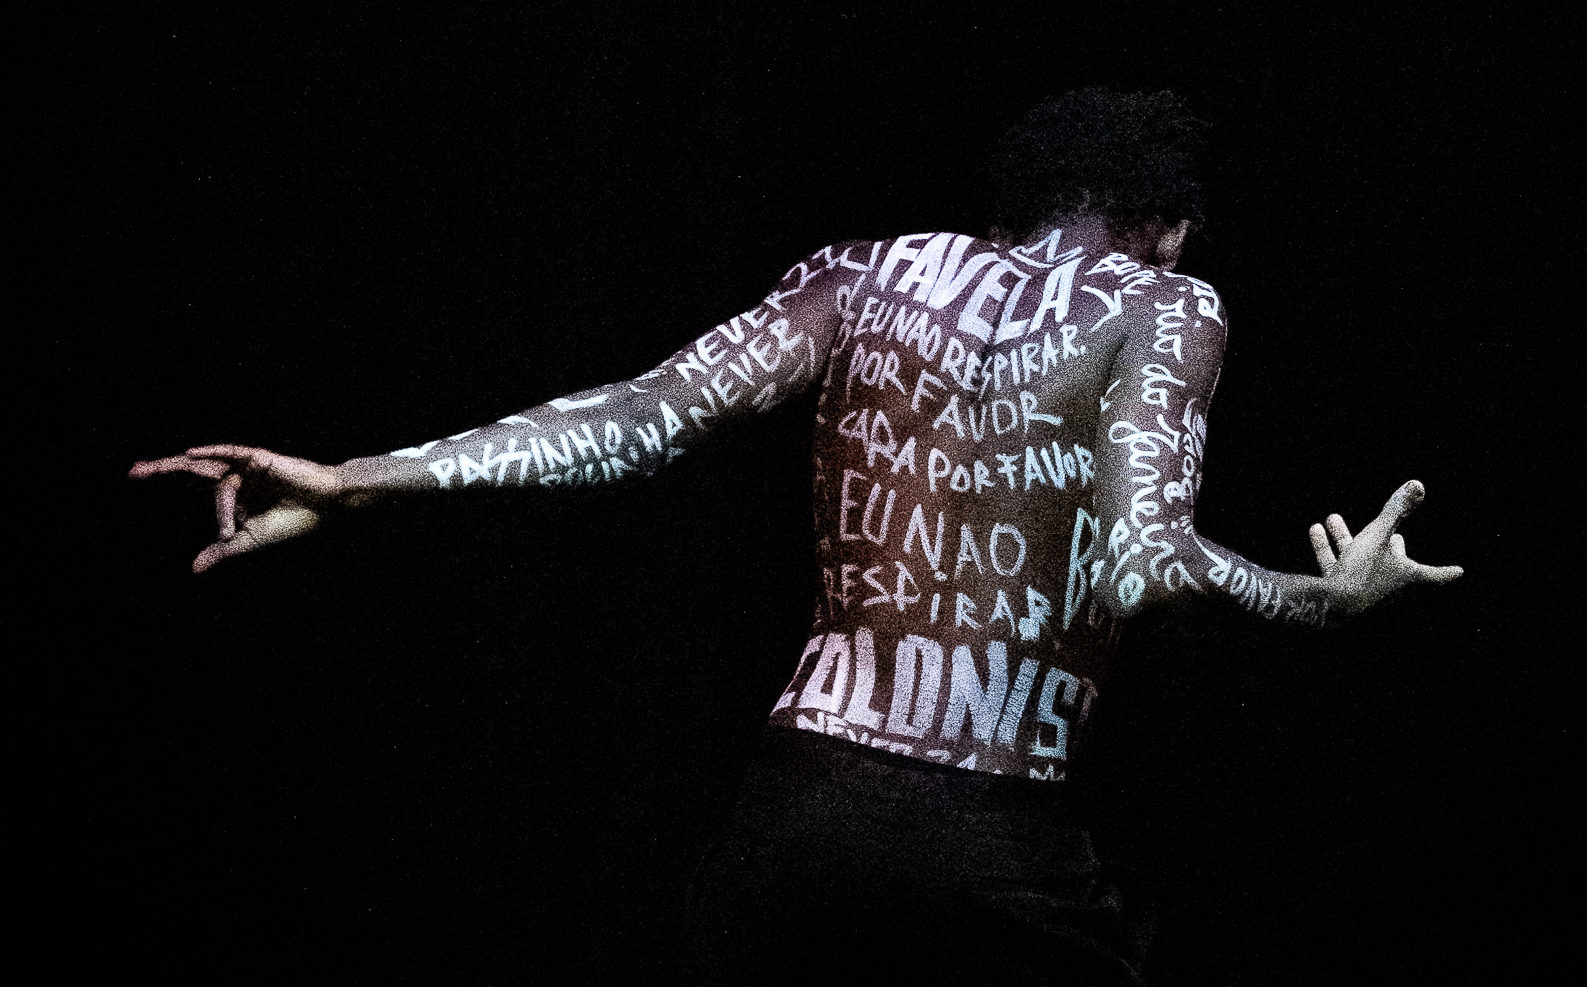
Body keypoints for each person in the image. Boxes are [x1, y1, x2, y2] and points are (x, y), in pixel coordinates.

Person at [130, 89, 1461, 984]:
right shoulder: (1162, 304)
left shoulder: (858, 273)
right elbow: (1145, 564)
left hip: (794, 821)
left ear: (1012, 201)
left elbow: (639, 418)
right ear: (1165, 223)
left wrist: (361, 478)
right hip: (992, 836)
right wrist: (1321, 601)